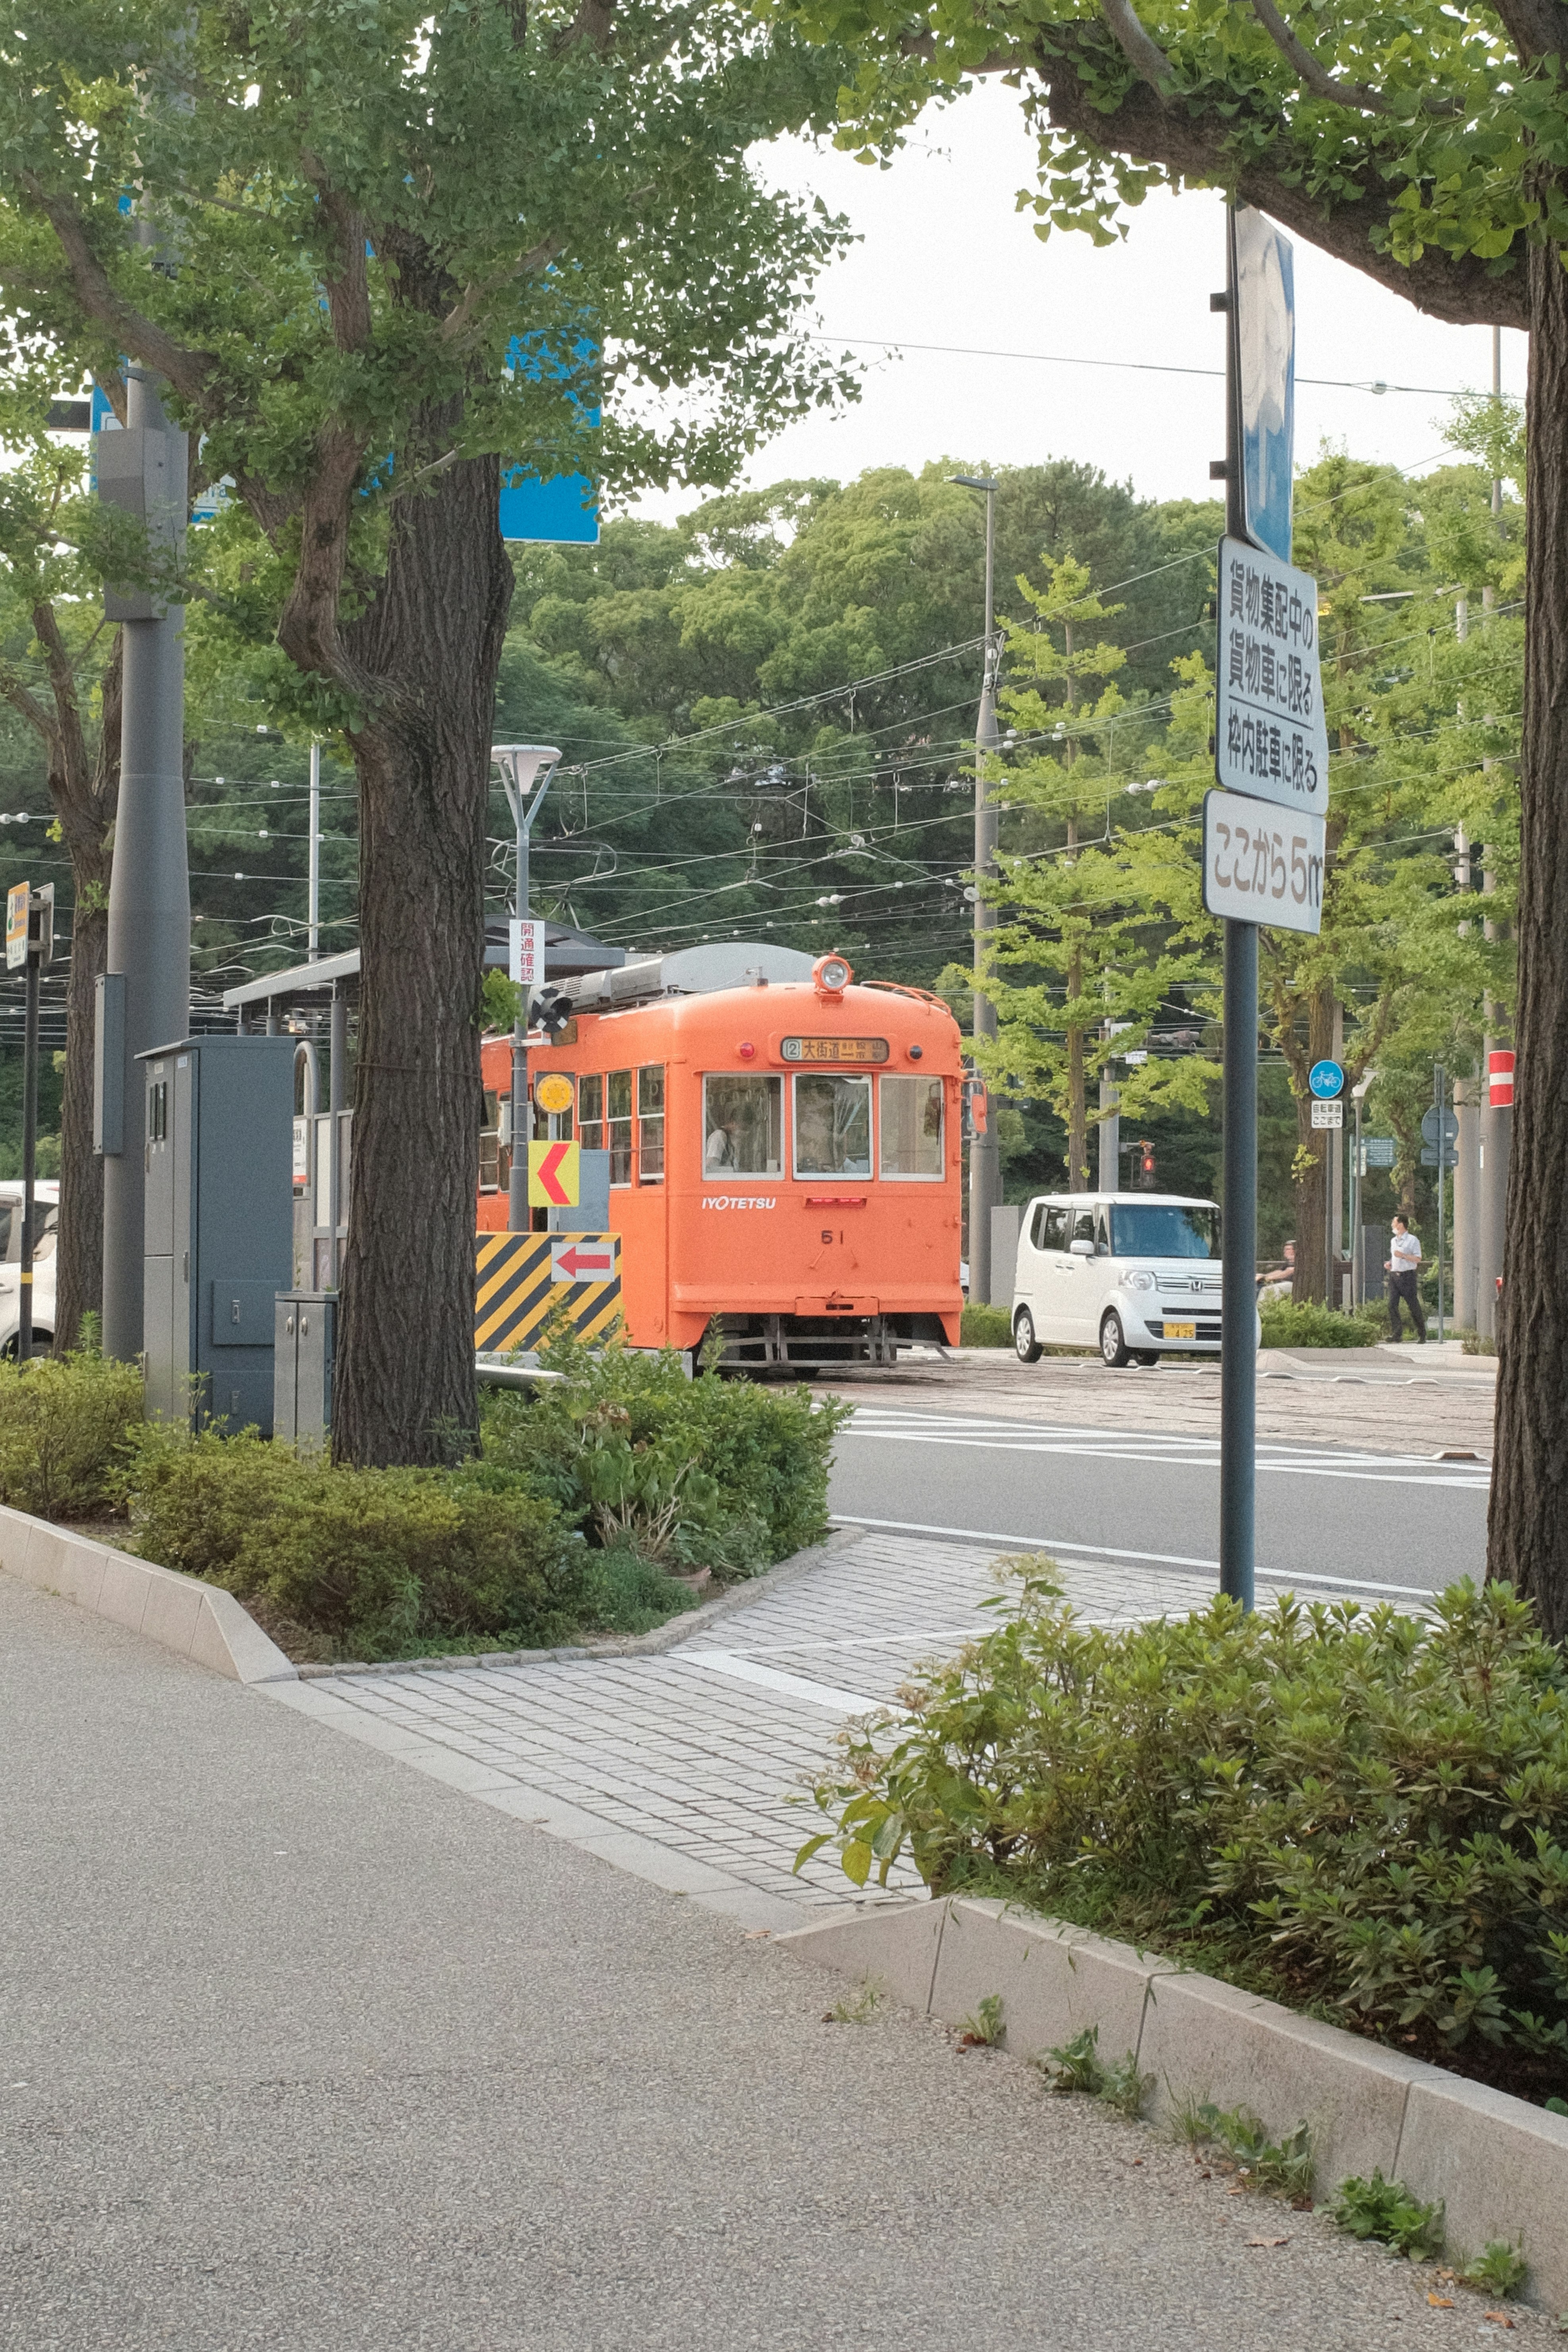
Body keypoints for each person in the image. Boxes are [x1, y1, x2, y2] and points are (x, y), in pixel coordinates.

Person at [1384, 1213, 1426, 1342]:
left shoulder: (1412, 1240)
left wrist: (1403, 1256)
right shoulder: (1394, 1240)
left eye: (1394, 1222)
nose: (1392, 1224)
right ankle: (1397, 1334)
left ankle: (1422, 1333)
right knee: (1392, 1305)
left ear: (1401, 1224)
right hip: (1395, 1276)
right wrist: (1390, 1263)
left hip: (1407, 1276)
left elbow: (1418, 1258)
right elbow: (1394, 1255)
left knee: (1413, 1306)